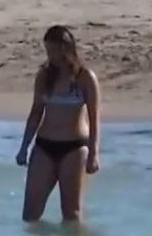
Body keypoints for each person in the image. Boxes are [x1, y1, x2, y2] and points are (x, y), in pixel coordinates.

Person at [16, 26, 101, 223]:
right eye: (48, 50)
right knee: (30, 214)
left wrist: (94, 153)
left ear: (66, 48)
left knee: (71, 214)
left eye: (54, 50)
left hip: (74, 148)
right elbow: (35, 113)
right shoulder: (44, 76)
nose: (51, 56)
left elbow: (94, 118)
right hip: (44, 146)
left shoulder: (85, 77)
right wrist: (23, 147)